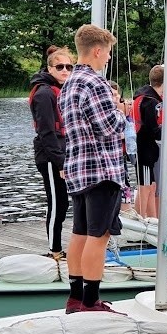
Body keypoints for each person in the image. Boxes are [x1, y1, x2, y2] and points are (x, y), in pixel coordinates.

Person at [59, 24, 127, 314]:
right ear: (97, 50)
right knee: (99, 237)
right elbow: (108, 127)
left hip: (78, 168)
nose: (109, 57)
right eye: (108, 52)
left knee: (80, 234)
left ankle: (75, 298)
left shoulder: (69, 83)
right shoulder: (95, 83)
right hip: (101, 169)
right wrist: (121, 113)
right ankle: (90, 302)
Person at [28, 45, 73, 260]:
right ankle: (54, 249)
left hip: (62, 152)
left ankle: (57, 248)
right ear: (50, 68)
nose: (65, 70)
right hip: (50, 156)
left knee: (62, 202)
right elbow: (46, 132)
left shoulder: (60, 89)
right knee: (57, 202)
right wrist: (60, 162)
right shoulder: (44, 93)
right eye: (60, 66)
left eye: (69, 67)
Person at [131, 65, 164, 219]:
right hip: (144, 149)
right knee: (145, 186)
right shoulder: (150, 102)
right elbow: (152, 128)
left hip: (148, 149)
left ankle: (151, 219)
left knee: (151, 186)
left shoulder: (147, 97)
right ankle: (140, 217)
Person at [108, 80, 135, 210]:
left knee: (125, 184)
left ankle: (126, 209)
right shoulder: (107, 113)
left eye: (117, 95)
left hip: (122, 156)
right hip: (110, 159)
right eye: (113, 95)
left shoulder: (122, 111)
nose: (116, 98)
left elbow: (130, 132)